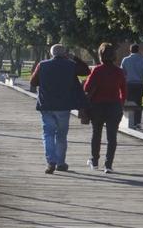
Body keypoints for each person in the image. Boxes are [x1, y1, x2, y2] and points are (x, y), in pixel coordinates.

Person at [29, 44, 87, 174]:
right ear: (65, 54)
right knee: (61, 135)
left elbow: (33, 82)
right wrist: (74, 58)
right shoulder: (71, 65)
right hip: (63, 106)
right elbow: (86, 71)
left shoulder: (42, 65)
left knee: (48, 134)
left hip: (47, 106)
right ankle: (60, 163)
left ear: (51, 54)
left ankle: (51, 162)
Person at [83, 43, 127, 174]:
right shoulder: (119, 71)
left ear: (101, 55)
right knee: (112, 137)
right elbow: (124, 90)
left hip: (97, 106)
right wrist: (121, 103)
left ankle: (94, 161)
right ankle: (108, 165)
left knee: (96, 134)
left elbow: (86, 88)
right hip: (114, 106)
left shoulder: (97, 70)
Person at [120, 43, 143, 128]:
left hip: (128, 84)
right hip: (139, 85)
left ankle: (130, 120)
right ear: (138, 50)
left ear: (130, 50)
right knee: (138, 103)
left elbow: (122, 73)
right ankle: (137, 122)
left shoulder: (125, 60)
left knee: (129, 102)